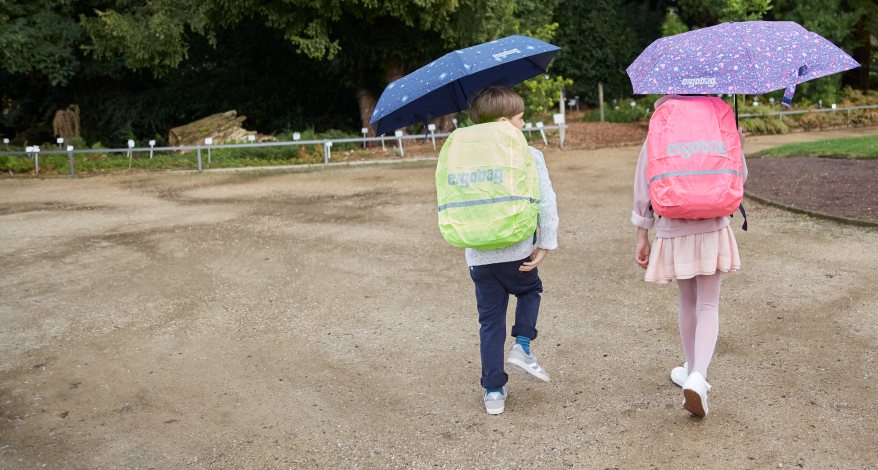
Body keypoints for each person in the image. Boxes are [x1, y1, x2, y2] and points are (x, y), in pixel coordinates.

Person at [631, 94, 747, 417]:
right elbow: (741, 175)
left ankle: (691, 368)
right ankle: (698, 376)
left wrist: (643, 230)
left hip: (673, 224)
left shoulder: (663, 117)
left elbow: (645, 178)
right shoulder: (722, 113)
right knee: (709, 304)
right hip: (713, 224)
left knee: (687, 301)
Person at [464, 86, 559, 415]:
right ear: (504, 122)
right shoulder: (529, 155)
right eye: (520, 118)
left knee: (489, 323)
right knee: (531, 291)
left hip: (479, 257)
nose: (523, 123)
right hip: (516, 251)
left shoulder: (466, 160)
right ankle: (522, 346)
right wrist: (547, 242)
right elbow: (546, 202)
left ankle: (493, 391)